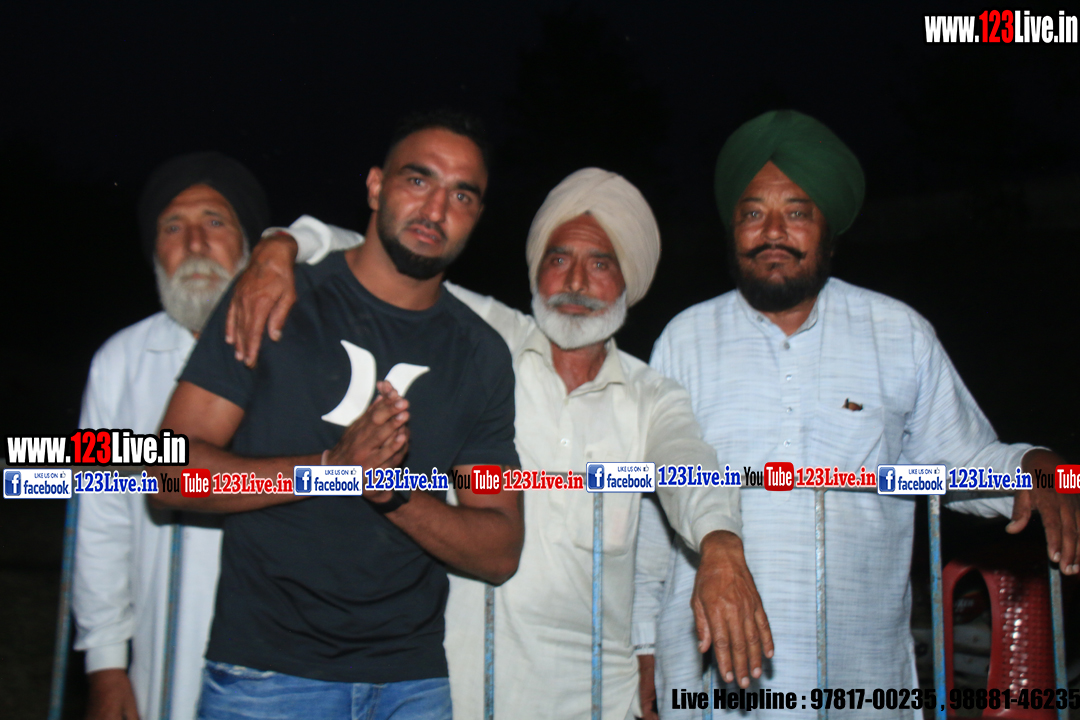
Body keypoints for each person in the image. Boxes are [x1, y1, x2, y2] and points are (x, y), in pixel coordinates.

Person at [225, 168, 772, 720]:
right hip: (461, 694)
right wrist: (282, 245)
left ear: (629, 280)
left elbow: (689, 465)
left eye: (600, 264)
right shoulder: (485, 339)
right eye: (558, 259)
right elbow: (384, 253)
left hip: (596, 699)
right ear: (536, 271)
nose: (575, 282)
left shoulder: (652, 397)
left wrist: (720, 542)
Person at [642, 109, 1080, 719]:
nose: (773, 232)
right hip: (711, 681)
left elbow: (962, 460)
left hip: (858, 677)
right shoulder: (683, 339)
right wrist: (642, 649)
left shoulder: (897, 333)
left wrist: (1036, 466)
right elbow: (652, 508)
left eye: (797, 213)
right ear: (732, 228)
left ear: (829, 230)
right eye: (753, 213)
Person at [151, 111, 524, 720]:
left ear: (477, 215)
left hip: (411, 685)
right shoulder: (275, 297)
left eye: (461, 195)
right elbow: (166, 471)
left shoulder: (480, 354)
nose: (435, 209)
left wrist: (392, 494)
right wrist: (329, 468)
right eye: (418, 180)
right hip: (268, 680)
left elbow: (500, 548)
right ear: (376, 186)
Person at [72, 152, 270, 720]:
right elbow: (100, 518)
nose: (195, 243)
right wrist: (106, 665)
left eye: (215, 222)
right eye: (172, 227)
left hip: (288, 661)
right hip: (163, 657)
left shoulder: (300, 350)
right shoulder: (119, 363)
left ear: (250, 244)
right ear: (154, 250)